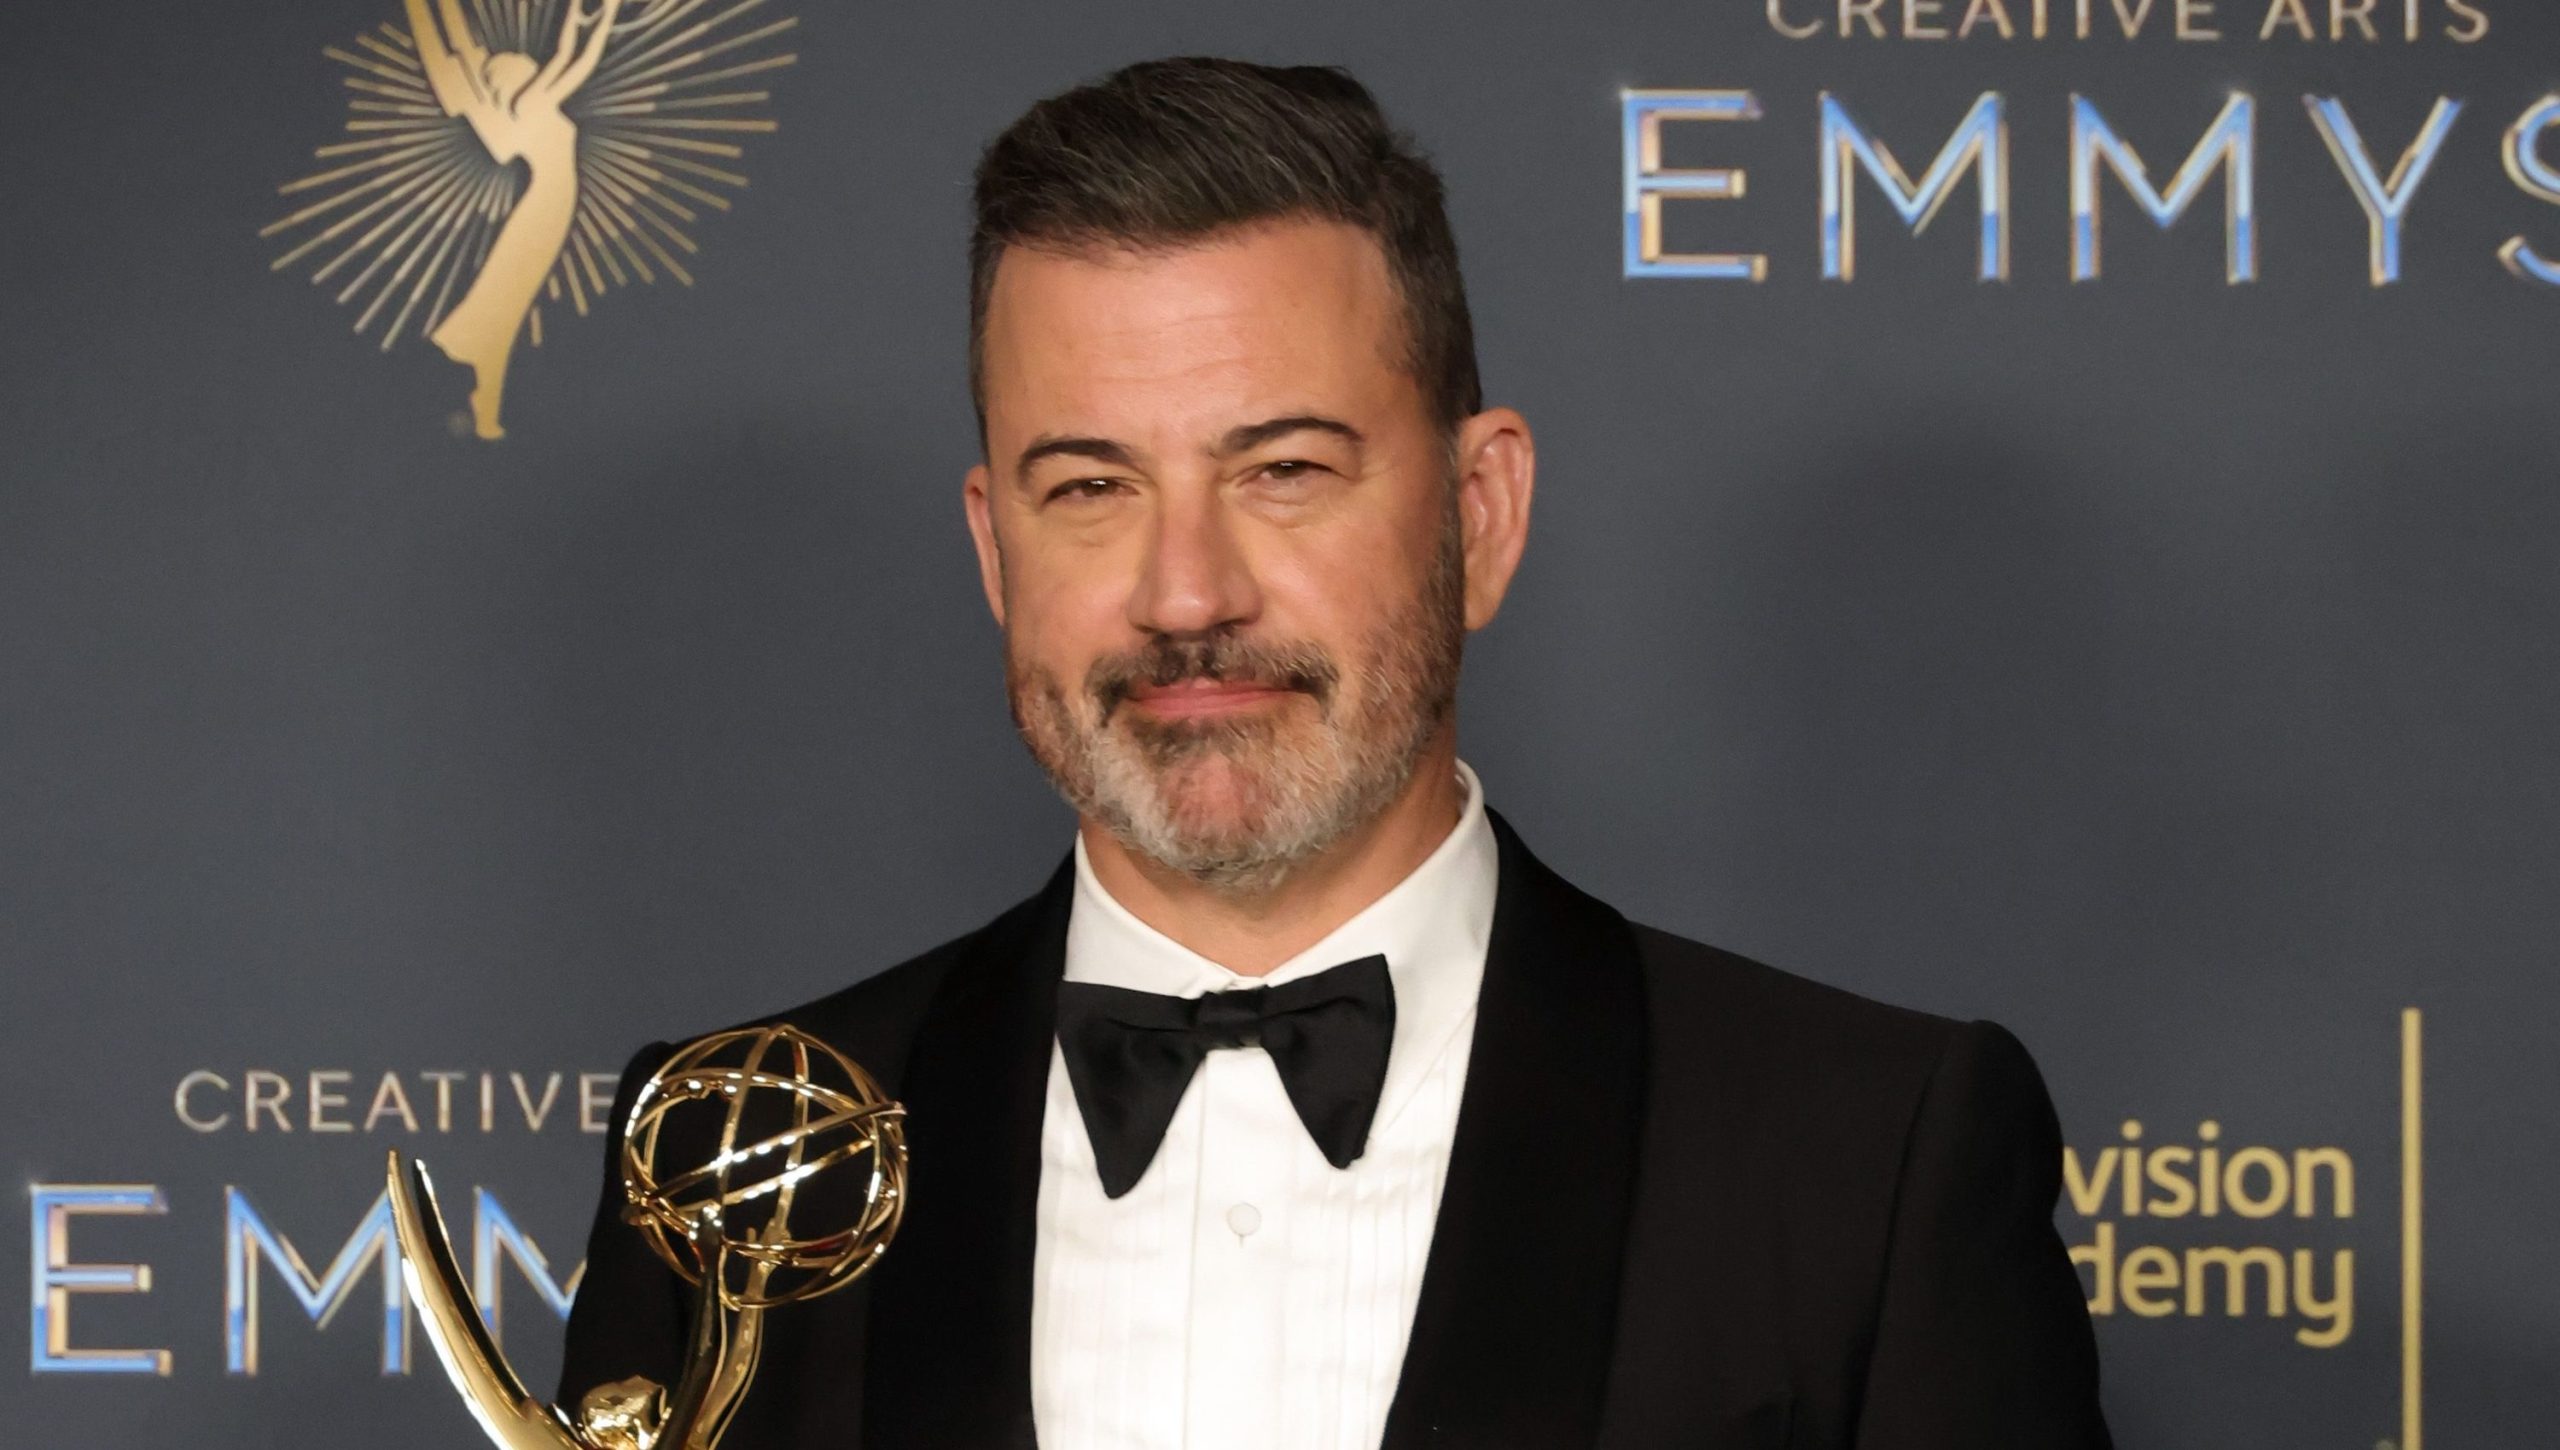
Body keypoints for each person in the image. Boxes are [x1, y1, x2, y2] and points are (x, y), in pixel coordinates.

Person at [558, 56, 2113, 1450]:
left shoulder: (1868, 1157)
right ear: (993, 548)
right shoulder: (734, 1156)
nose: (1186, 595)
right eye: (1091, 487)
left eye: (1284, 470)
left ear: (1479, 515)